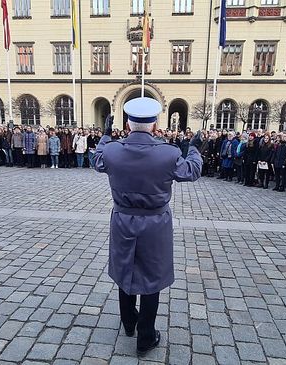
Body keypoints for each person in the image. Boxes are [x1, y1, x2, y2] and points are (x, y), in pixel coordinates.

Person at [93, 97, 202, 355]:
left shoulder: (112, 150)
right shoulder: (168, 153)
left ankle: (128, 321)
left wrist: (105, 136)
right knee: (152, 277)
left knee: (124, 269)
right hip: (155, 223)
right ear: (154, 125)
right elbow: (192, 171)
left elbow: (97, 160)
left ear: (128, 125)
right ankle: (146, 335)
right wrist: (194, 147)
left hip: (122, 220)